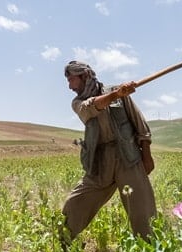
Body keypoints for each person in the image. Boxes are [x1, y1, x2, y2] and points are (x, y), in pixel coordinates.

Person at [61, 60, 156, 242]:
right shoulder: (78, 102)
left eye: (71, 80)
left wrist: (147, 155)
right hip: (100, 161)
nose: (70, 86)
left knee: (142, 211)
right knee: (74, 204)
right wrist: (116, 95)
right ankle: (63, 247)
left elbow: (140, 124)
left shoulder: (119, 93)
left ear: (84, 76)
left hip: (128, 157)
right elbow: (92, 107)